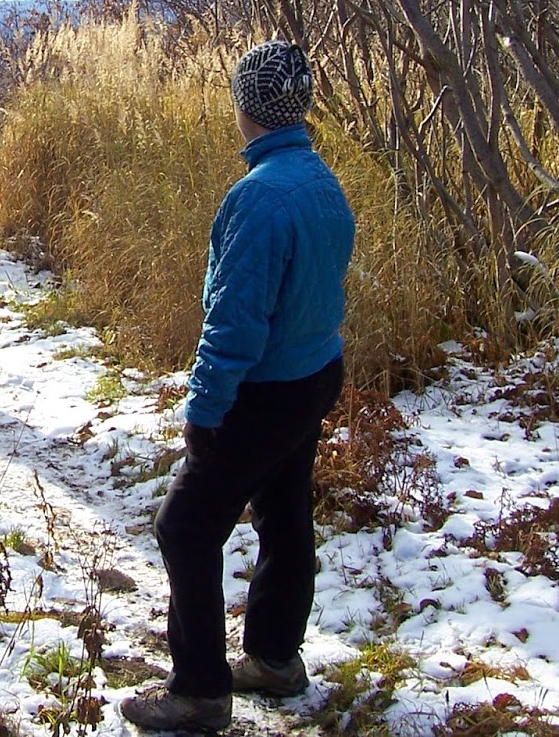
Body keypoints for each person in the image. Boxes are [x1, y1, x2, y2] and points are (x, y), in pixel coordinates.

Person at [120, 41, 355, 732]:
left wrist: (205, 408)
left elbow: (235, 324)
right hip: (314, 374)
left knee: (184, 526)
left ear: (243, 104)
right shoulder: (319, 178)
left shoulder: (257, 199)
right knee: (283, 513)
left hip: (266, 390)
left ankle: (199, 691)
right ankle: (276, 660)